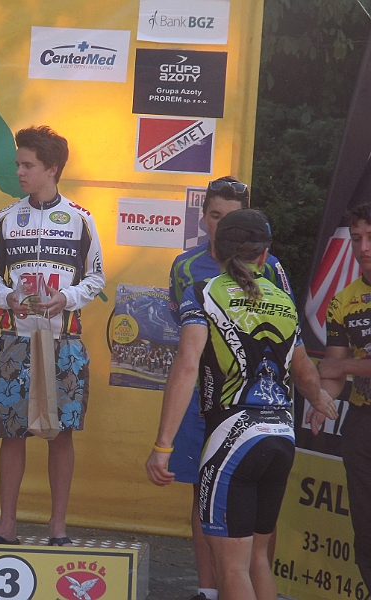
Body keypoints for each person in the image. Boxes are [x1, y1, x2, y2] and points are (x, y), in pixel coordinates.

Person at [146, 209, 337, 600]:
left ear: (216, 251)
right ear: (264, 255)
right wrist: (321, 400)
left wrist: (163, 446)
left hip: (232, 439)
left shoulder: (203, 293)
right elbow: (305, 374)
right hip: (281, 436)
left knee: (231, 567)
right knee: (258, 559)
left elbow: (186, 366)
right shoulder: (282, 299)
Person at [166, 177, 293, 600]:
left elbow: (288, 342)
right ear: (203, 218)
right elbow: (185, 341)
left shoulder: (271, 267)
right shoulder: (185, 266)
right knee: (204, 493)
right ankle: (208, 589)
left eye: (232, 219)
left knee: (253, 522)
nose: (222, 227)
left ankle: (239, 587)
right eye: (215, 216)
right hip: (203, 399)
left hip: (247, 406)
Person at [0, 126, 104, 546]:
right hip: (15, 340)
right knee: (11, 431)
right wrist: (7, 296)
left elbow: (96, 277)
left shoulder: (81, 218)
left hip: (64, 341)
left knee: (61, 432)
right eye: (18, 164)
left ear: (52, 169)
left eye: (27, 165)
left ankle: (57, 527)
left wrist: (66, 298)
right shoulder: (5, 218)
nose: (19, 171)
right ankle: (7, 525)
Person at [316, 202, 371, 591]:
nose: (363, 247)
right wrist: (322, 401)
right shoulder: (342, 301)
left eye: (370, 237)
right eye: (356, 238)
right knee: (365, 530)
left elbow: (340, 366)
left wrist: (347, 367)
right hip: (362, 423)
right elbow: (331, 370)